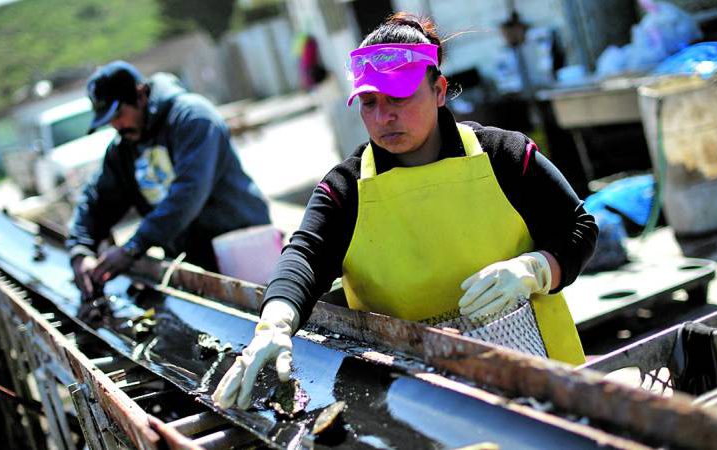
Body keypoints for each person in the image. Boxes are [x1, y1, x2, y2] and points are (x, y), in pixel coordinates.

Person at [212, 13, 598, 410]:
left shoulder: (505, 155)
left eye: (398, 97)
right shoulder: (346, 189)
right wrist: (274, 324)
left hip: (537, 374)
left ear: (439, 90)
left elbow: (579, 227)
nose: (383, 117)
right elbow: (305, 256)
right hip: (418, 395)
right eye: (369, 102)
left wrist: (536, 269)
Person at [67, 60, 270, 299]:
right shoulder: (123, 149)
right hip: (195, 261)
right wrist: (80, 251)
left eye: (119, 114)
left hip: (243, 248)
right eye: (109, 121)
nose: (116, 126)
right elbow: (96, 201)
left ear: (140, 95)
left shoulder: (193, 119)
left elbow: (188, 194)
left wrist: (133, 247)